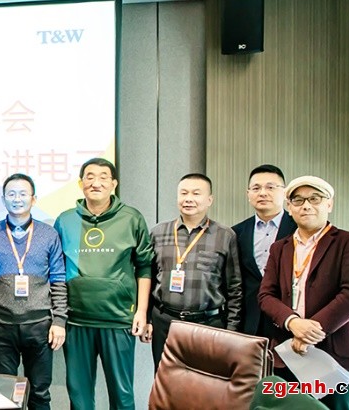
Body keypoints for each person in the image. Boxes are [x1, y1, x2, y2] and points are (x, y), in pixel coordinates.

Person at [259, 176, 349, 410]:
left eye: (315, 198)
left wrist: (309, 332)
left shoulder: (348, 242)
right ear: (289, 208)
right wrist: (293, 323)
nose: (306, 205)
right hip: (289, 352)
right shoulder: (280, 248)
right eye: (298, 200)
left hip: (333, 353)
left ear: (329, 204)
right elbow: (266, 295)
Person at [53, 158, 153, 410]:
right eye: (89, 177)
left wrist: (142, 311)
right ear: (80, 183)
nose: (96, 183)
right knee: (79, 397)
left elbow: (144, 266)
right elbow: (56, 271)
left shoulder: (131, 218)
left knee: (122, 395)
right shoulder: (65, 220)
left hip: (118, 319)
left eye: (103, 177)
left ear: (114, 184)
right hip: (76, 320)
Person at [0, 173, 66, 409]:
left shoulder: (49, 234)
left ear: (33, 199)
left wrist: (59, 321)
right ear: (3, 199)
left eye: (23, 194)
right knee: (3, 392)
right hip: (1, 325)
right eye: (11, 194)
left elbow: (58, 280)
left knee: (40, 394)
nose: (17, 199)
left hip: (39, 325)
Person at [144, 173, 242, 368]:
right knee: (166, 381)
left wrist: (231, 329)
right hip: (165, 322)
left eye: (196, 193)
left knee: (204, 382)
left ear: (209, 200)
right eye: (184, 193)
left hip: (209, 323)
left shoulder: (225, 235)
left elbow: (234, 287)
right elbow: (149, 278)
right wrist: (147, 319)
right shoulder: (158, 232)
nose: (188, 199)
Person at [232, 164, 295, 339]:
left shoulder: (298, 229)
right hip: (249, 321)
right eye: (256, 188)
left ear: (284, 192)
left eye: (270, 187)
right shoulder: (236, 233)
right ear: (248, 194)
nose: (263, 193)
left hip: (289, 320)